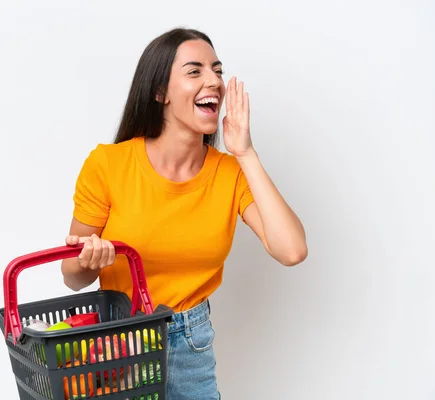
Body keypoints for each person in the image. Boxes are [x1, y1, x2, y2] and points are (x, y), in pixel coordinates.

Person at [61, 27, 307, 399]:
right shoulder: (109, 165)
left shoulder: (230, 173)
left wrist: (245, 152)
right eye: (195, 71)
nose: (215, 81)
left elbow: (291, 251)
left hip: (191, 345)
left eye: (217, 70)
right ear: (160, 92)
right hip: (118, 346)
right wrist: (89, 262)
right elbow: (72, 277)